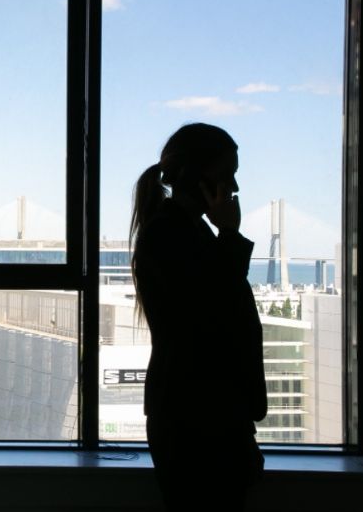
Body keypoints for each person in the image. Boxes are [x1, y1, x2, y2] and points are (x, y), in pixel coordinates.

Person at [130, 123, 267, 511]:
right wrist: (230, 235)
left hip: (201, 417)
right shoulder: (169, 236)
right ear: (193, 176)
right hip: (197, 423)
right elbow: (211, 313)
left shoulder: (184, 232)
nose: (235, 187)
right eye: (226, 174)